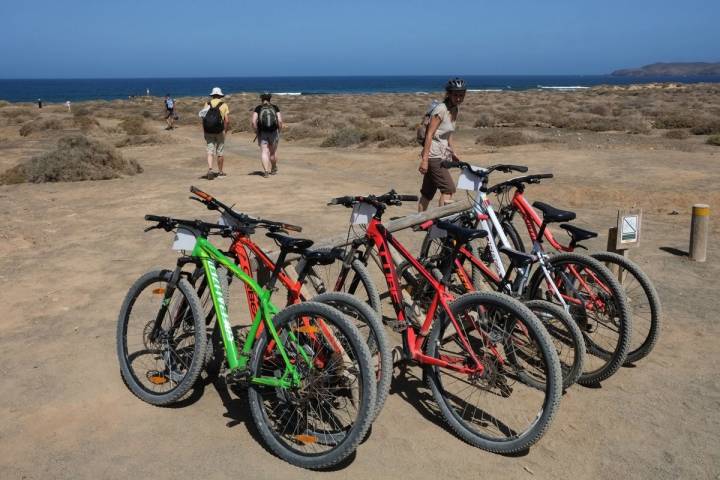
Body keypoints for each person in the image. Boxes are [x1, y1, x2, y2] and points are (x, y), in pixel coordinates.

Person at [417, 77, 467, 211]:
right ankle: (442, 226)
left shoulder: (455, 109)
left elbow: (449, 133)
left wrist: (453, 151)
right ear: (449, 94)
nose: (458, 98)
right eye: (455, 95)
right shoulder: (441, 109)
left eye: (461, 95)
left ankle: (418, 223)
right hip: (434, 156)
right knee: (449, 188)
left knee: (427, 192)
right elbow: (429, 135)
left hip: (442, 154)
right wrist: (425, 160)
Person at [201, 87, 230, 179]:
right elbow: (227, 121)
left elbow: (203, 118)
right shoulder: (224, 105)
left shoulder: (207, 104)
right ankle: (220, 172)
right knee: (220, 152)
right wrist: (225, 131)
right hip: (219, 131)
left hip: (208, 131)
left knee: (210, 151)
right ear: (220, 95)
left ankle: (210, 169)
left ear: (212, 95)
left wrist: (204, 130)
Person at [251, 92, 283, 178]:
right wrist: (279, 131)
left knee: (264, 151)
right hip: (273, 132)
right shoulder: (275, 107)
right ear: (270, 98)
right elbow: (280, 121)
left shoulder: (258, 108)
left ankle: (265, 171)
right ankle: (273, 168)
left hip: (262, 133)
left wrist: (256, 131)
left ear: (261, 99)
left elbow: (253, 122)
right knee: (273, 152)